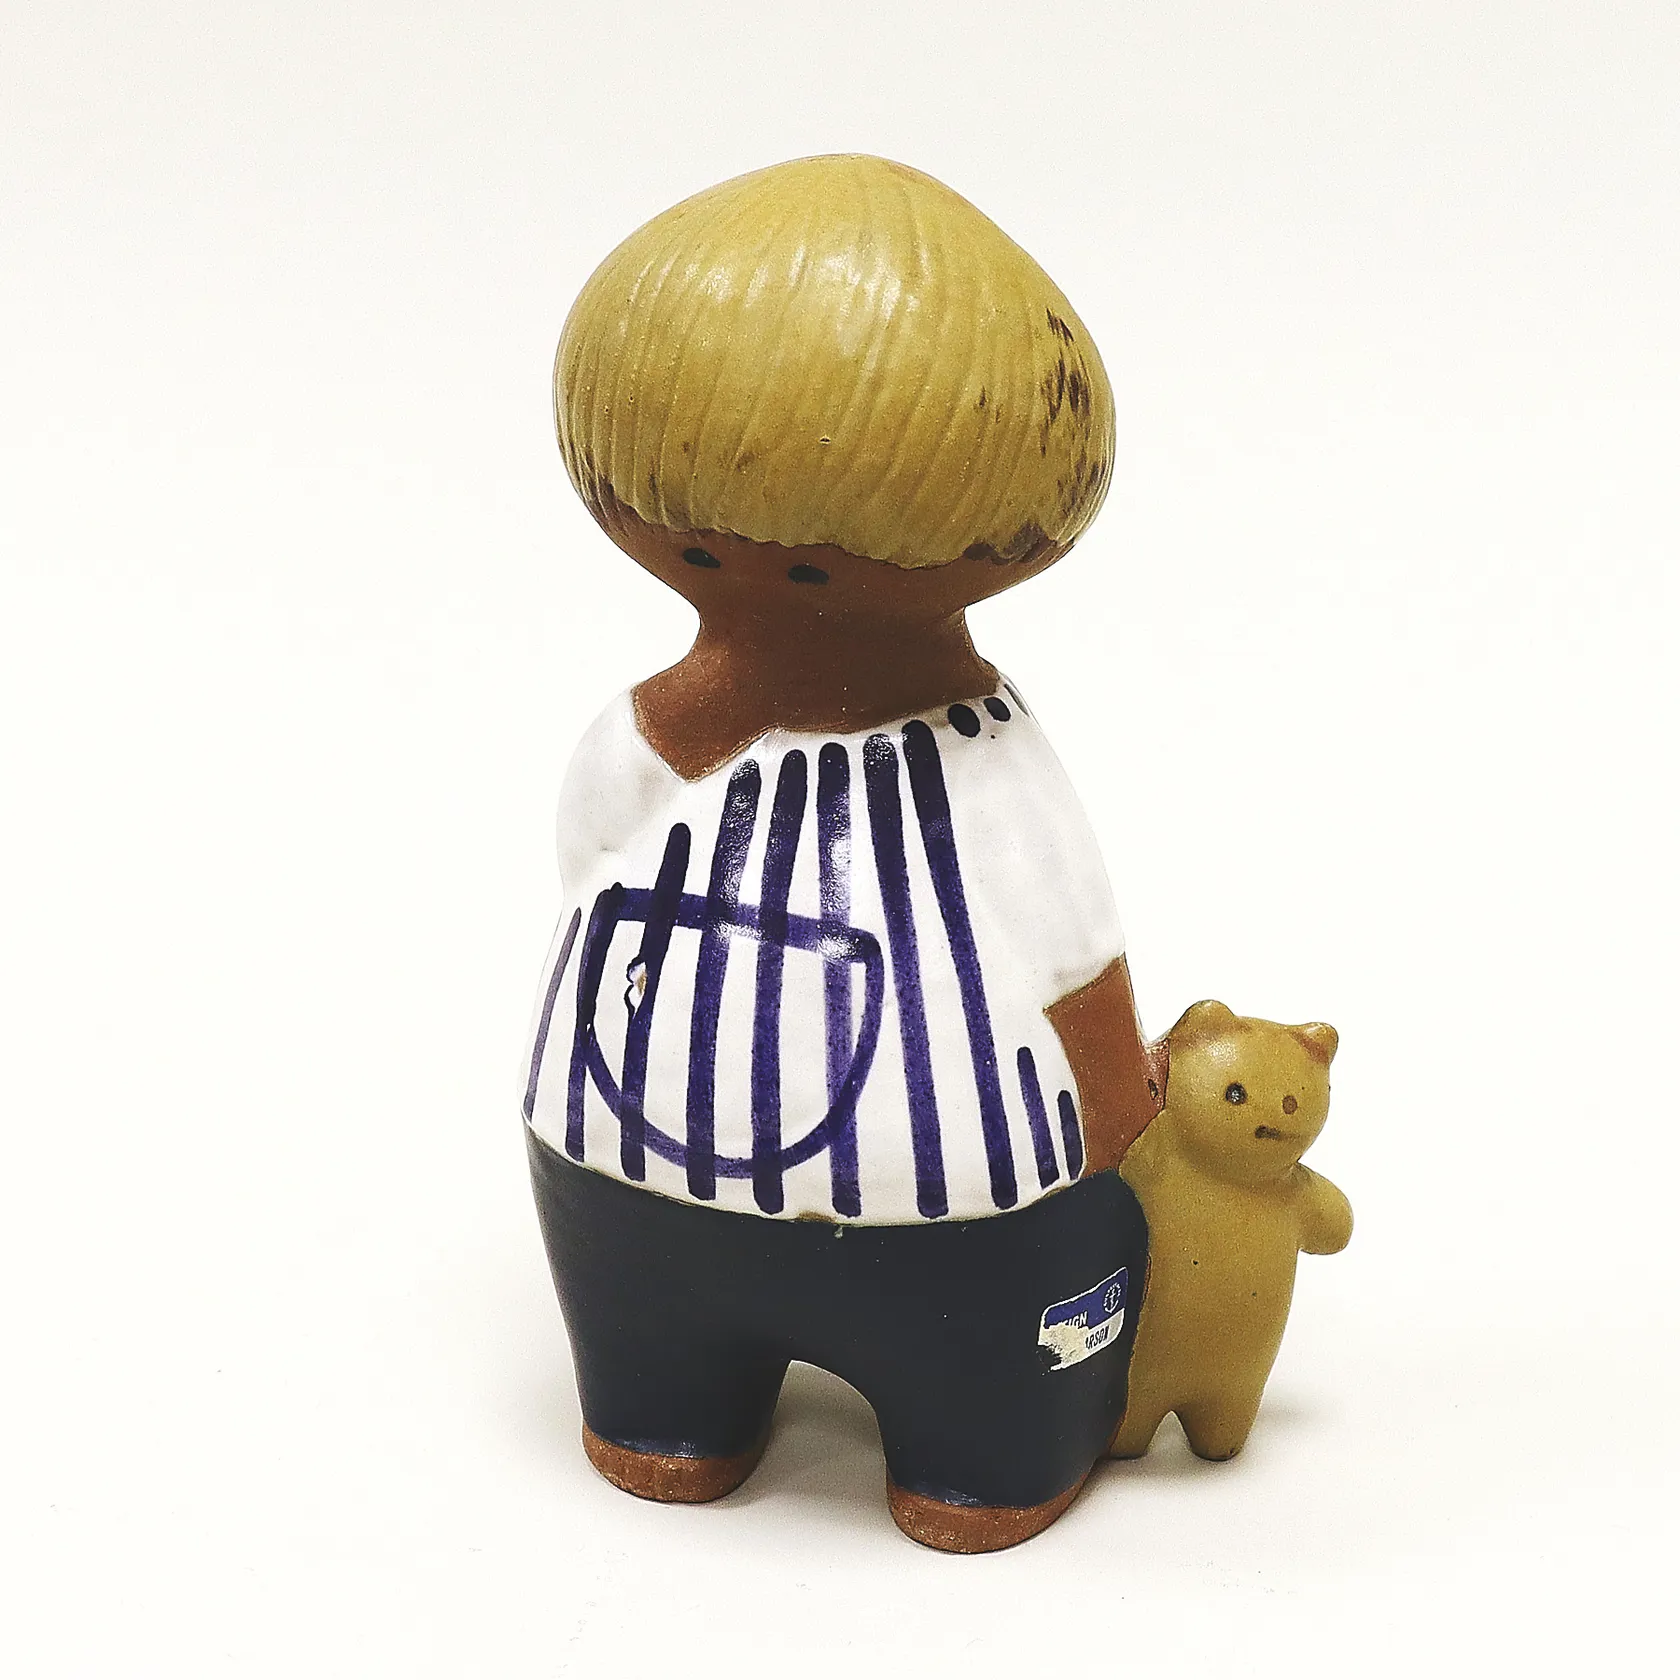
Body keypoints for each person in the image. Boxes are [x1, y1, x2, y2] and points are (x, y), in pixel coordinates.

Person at [523, 154, 1164, 1552]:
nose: (757, 562)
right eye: (701, 540)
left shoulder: (985, 762)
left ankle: (988, 1458)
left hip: (957, 1210)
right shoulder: (657, 729)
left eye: (816, 559)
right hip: (624, 1183)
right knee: (656, 1387)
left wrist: (1117, 1114)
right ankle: (664, 1416)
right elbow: (585, 853)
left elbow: (1071, 950)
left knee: (990, 1407)